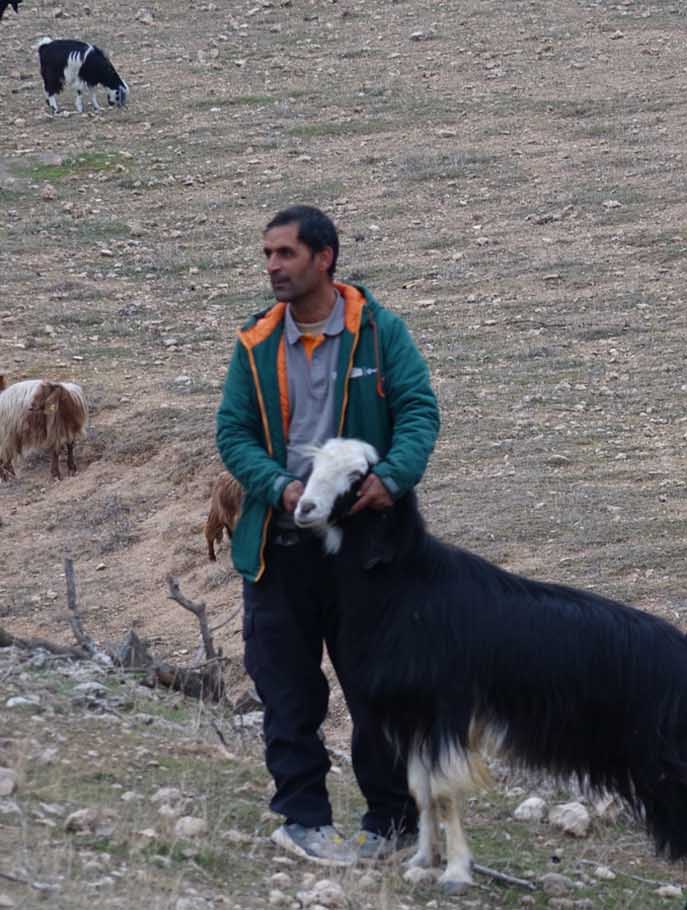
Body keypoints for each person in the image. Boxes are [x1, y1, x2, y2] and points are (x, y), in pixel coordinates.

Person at [216, 205, 440, 865]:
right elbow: (232, 433)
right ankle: (303, 819)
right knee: (287, 688)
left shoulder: (378, 333)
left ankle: (393, 821)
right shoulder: (255, 342)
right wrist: (277, 485)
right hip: (279, 547)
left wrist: (392, 477)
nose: (273, 268)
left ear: (325, 257)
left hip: (366, 548)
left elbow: (420, 409)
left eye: (285, 254)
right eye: (267, 255)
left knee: (377, 685)